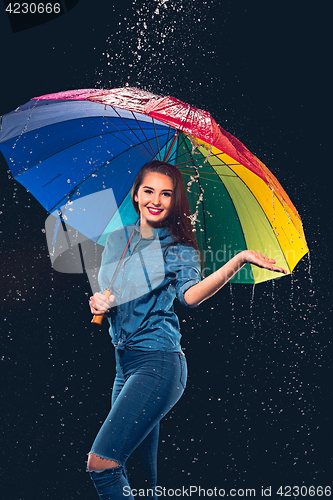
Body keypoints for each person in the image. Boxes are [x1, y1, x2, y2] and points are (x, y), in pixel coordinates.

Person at [87, 160, 287, 499]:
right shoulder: (118, 240)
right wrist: (99, 304)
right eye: (149, 190)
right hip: (124, 366)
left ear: (174, 200)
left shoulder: (178, 249)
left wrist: (236, 260)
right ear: (136, 194)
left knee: (102, 463)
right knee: (139, 477)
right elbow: (110, 295)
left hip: (158, 365)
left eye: (166, 194)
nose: (156, 199)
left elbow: (191, 297)